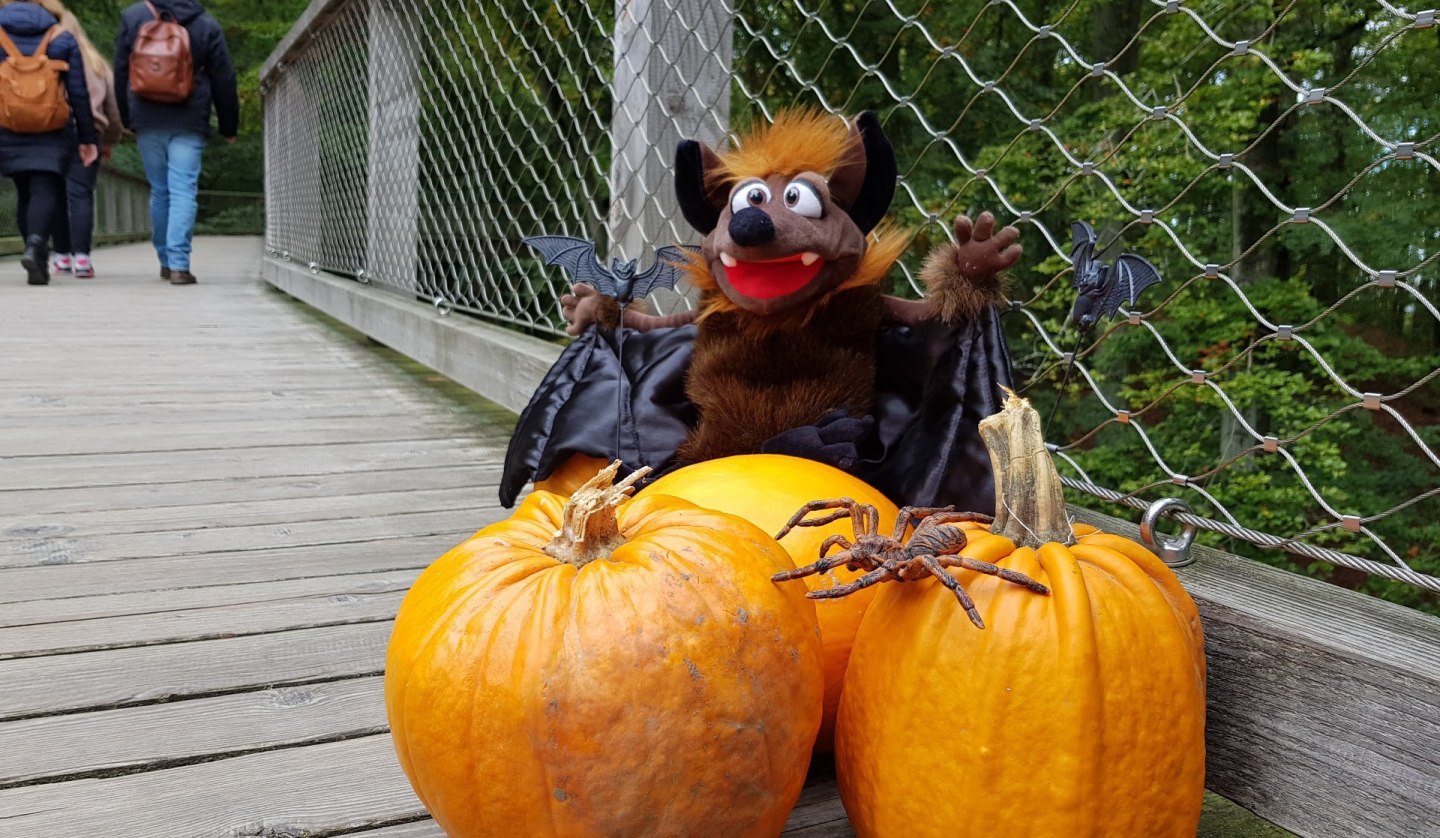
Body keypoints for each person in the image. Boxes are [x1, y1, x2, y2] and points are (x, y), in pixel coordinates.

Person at [114, 0, 237, 285]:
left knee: (160, 191)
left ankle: (166, 261)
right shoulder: (206, 23)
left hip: (146, 116)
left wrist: (126, 118)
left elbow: (120, 72)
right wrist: (229, 126)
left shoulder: (133, 17)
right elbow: (224, 79)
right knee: (183, 191)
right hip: (189, 118)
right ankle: (180, 265)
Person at [0, 0, 97, 285]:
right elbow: (79, 93)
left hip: (7, 127)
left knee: (24, 192)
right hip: (52, 130)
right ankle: (37, 245)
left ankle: (35, 252)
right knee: (46, 189)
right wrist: (88, 138)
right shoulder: (61, 37)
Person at [36, 0, 121, 279]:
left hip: (51, 130)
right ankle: (82, 258)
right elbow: (114, 109)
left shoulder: (45, 57)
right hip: (90, 133)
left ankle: (61, 255)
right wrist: (108, 141)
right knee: (81, 194)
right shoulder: (98, 64)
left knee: (56, 194)